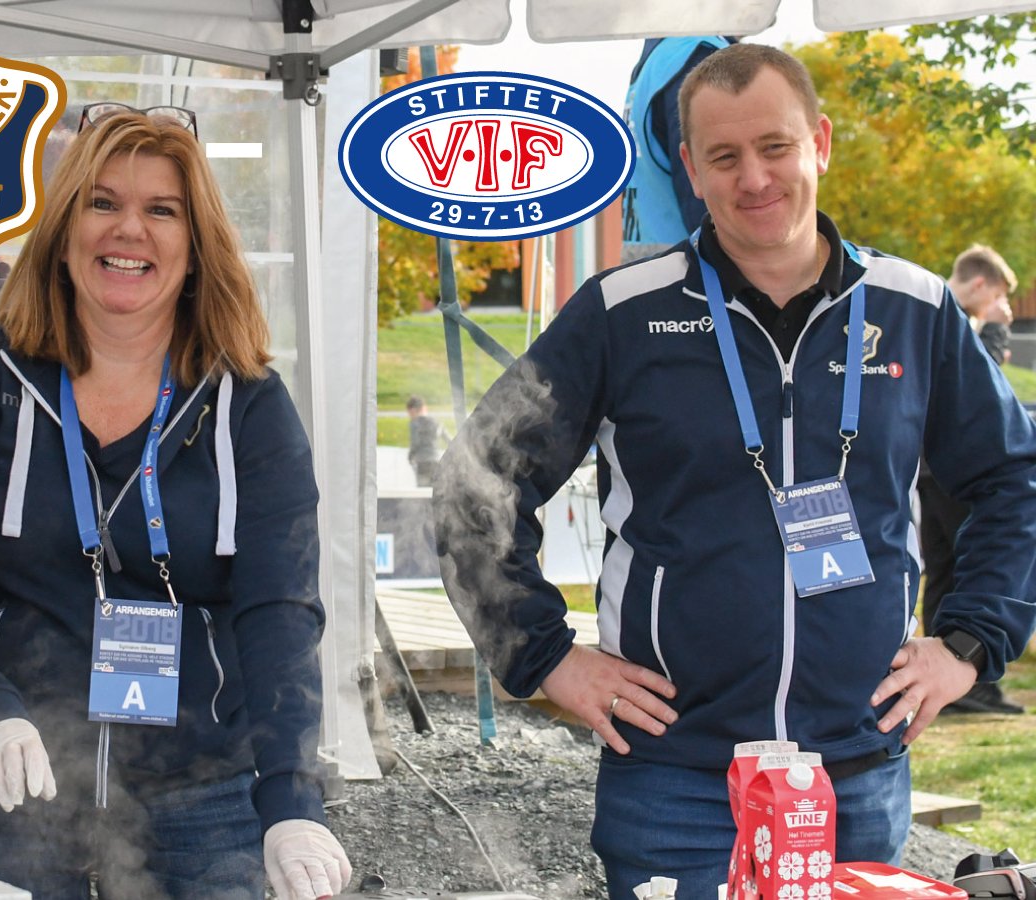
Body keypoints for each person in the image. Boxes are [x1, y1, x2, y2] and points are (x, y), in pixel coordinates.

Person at [436, 44, 1036, 899]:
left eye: (775, 146)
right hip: (676, 780)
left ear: (819, 142)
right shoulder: (623, 311)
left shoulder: (917, 308)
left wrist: (970, 644)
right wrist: (545, 657)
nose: (754, 178)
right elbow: (474, 486)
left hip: (856, 775)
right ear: (690, 168)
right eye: (724, 156)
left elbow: (1014, 481)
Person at [0, 103, 352, 900]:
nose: (129, 229)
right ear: (63, 232)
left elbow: (280, 611)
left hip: (205, 799)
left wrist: (291, 799)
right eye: (102, 202)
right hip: (14, 783)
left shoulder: (248, 404)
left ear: (197, 245)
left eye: (162, 210)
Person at [917, 245, 1024, 715]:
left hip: (925, 471)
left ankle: (949, 681)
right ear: (980, 284)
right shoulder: (948, 317)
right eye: (998, 295)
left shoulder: (918, 309)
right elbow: (982, 396)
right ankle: (973, 680)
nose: (1001, 306)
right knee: (967, 565)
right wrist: (997, 329)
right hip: (956, 472)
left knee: (943, 571)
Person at [622, 36, 733, 261]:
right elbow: (707, 201)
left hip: (650, 267)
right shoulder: (698, 58)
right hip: (694, 271)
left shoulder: (658, 61)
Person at [405, 395, 450, 488]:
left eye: (409, 413)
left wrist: (410, 456)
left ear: (413, 410)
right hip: (436, 461)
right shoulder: (436, 422)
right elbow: (449, 440)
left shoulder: (415, 423)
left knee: (423, 491)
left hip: (422, 462)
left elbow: (415, 442)